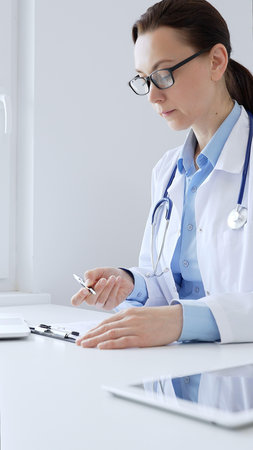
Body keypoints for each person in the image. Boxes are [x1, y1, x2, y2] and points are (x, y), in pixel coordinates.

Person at [71, 0, 253, 350]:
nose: (153, 96)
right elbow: (170, 284)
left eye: (164, 74)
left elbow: (180, 314)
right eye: (144, 80)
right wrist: (132, 284)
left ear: (216, 61)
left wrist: (183, 320)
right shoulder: (168, 171)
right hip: (177, 368)